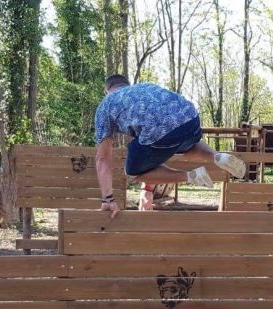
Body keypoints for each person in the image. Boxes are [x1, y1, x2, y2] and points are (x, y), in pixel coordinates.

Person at [94, 74, 247, 217]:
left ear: (106, 91)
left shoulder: (106, 104)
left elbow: (103, 158)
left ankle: (191, 176)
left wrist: (107, 199)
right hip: (190, 118)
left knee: (133, 172)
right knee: (187, 144)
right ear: (127, 85)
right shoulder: (144, 86)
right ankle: (217, 156)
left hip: (158, 133)